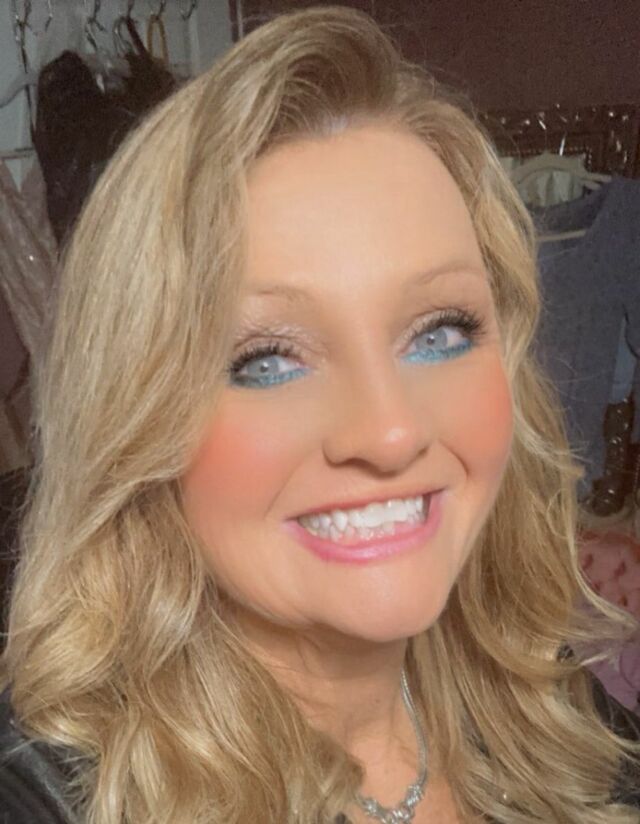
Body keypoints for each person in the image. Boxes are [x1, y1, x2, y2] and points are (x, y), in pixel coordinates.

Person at [0, 6, 638, 823]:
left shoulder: (541, 696)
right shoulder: (51, 796)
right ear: (137, 422)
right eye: (267, 360)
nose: (391, 432)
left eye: (439, 332)